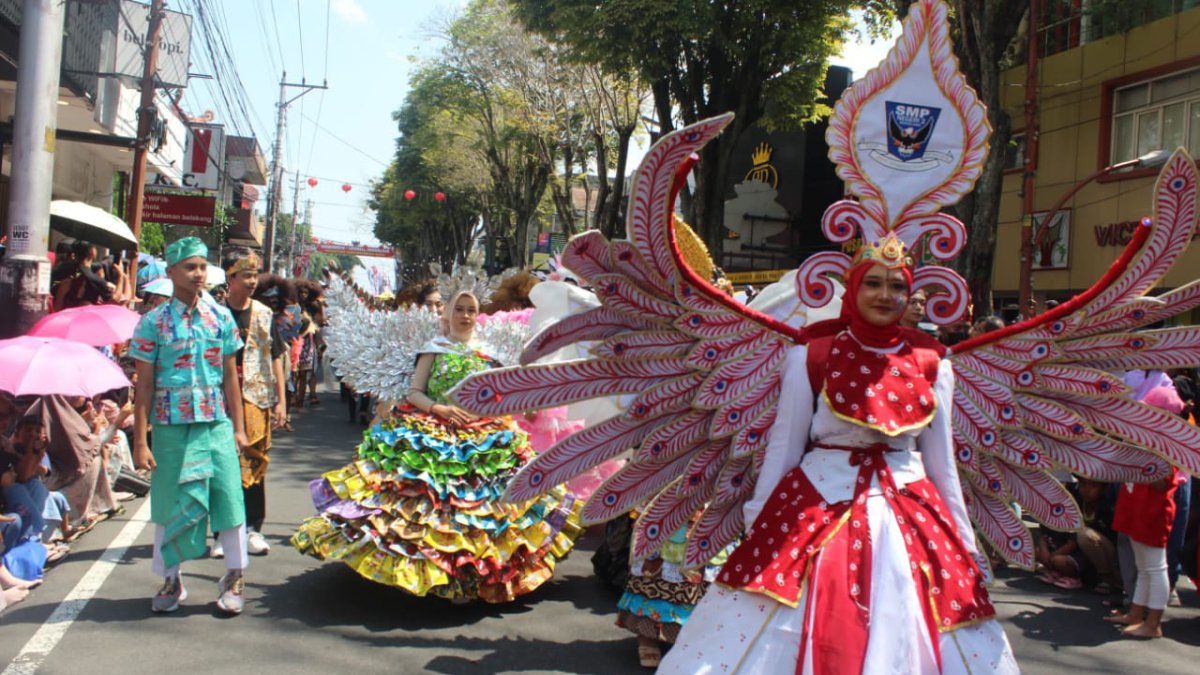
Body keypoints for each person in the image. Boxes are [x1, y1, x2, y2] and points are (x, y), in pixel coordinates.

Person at [660, 237, 1017, 673]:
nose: (885, 296)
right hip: (813, 504)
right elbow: (785, 446)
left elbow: (941, 463)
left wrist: (963, 540)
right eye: (873, 284)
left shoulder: (932, 362)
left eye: (896, 286)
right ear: (852, 289)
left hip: (910, 508)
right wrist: (759, 520)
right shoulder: (812, 354)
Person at [292, 291, 583, 603]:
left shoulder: (489, 353)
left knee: (481, 513)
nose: (466, 315)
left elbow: (500, 395)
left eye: (472, 310)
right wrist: (439, 410)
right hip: (431, 432)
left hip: (483, 438)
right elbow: (415, 392)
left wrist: (522, 404)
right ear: (449, 313)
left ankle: (468, 575)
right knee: (423, 509)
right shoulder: (433, 348)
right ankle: (429, 573)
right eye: (460, 309)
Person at [129, 236, 250, 615]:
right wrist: (140, 441)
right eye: (189, 267)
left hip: (214, 422)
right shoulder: (152, 323)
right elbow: (144, 386)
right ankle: (171, 578)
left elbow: (231, 377)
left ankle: (234, 576)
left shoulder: (220, 317)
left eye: (202, 266)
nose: (198, 274)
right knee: (169, 504)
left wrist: (239, 427)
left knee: (230, 499)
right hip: (169, 427)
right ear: (170, 273)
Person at [216, 249, 286, 558]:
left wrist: (282, 400)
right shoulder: (213, 313)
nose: (252, 281)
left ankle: (253, 528)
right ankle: (221, 532)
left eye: (255, 275)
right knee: (222, 465)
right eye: (246, 275)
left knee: (254, 463)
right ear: (230, 278)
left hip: (255, 397)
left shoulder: (264, 313)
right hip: (218, 399)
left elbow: (276, 356)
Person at [1107, 386, 1187, 638]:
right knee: (1143, 565)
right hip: (1137, 508)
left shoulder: (1166, 444)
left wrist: (1144, 457)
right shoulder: (1148, 439)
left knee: (1155, 566)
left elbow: (1162, 482)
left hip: (1152, 512)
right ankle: (1136, 613)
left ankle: (1153, 623)